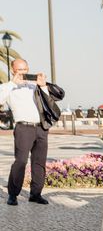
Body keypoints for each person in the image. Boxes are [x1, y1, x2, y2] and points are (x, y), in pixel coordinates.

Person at [0, 59, 64, 205]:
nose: (23, 73)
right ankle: (13, 194)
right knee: (21, 161)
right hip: (23, 128)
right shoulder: (8, 88)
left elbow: (54, 100)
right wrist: (12, 84)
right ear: (13, 71)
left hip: (41, 127)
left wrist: (43, 86)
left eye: (25, 69)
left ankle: (36, 194)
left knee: (39, 162)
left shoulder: (35, 86)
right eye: (19, 70)